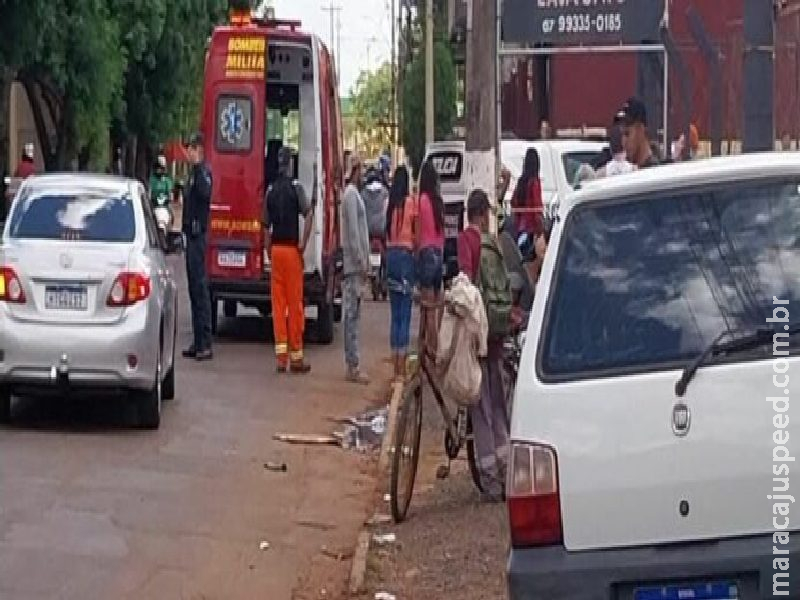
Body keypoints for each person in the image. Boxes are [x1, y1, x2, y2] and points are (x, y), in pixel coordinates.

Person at [468, 189, 512, 502]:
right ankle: (508, 472)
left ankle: (491, 480)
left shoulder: (468, 244)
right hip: (497, 335)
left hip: (479, 338)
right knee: (498, 406)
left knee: (480, 410)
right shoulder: (492, 246)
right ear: (484, 213)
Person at [263, 147, 316, 373]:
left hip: (276, 251)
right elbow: (309, 213)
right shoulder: (297, 189)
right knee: (295, 305)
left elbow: (265, 227)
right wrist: (303, 243)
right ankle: (296, 357)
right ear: (290, 165)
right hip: (292, 252)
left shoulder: (270, 191)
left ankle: (280, 358)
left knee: (278, 305)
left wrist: (268, 251)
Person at [182, 133, 214, 361]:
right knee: (193, 289)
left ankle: (205, 342)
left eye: (192, 149)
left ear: (199, 150)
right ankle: (197, 340)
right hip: (189, 237)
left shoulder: (202, 173)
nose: (189, 153)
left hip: (198, 236)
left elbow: (205, 194)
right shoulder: (193, 174)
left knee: (201, 290)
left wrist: (198, 169)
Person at [385, 165, 418, 382]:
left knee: (395, 313)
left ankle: (395, 365)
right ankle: (402, 368)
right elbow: (416, 231)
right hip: (405, 257)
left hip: (391, 257)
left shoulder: (390, 206)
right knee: (405, 314)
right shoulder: (410, 203)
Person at [341, 154, 371, 384]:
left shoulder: (353, 195)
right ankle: (353, 364)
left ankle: (353, 362)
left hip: (356, 264)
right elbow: (353, 234)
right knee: (351, 316)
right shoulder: (351, 196)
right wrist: (361, 263)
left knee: (354, 316)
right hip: (353, 265)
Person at [416, 160, 446, 358]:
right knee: (432, 306)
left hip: (426, 254)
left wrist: (416, 253)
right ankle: (424, 347)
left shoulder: (421, 201)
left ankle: (433, 351)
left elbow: (418, 232)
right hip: (439, 254)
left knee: (428, 310)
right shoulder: (438, 202)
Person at [511, 148, 544, 257]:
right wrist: (540, 229)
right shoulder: (534, 182)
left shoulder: (521, 181)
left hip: (520, 227)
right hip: (531, 229)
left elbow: (513, 201)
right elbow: (536, 205)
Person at [619, 97, 660, 169]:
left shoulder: (655, 173)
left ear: (641, 129)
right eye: (621, 134)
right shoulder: (626, 171)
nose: (623, 142)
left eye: (627, 134)